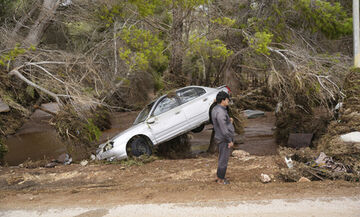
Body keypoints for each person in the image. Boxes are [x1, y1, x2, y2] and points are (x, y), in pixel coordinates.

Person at [211, 91, 235, 184]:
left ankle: (219, 176)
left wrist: (229, 121)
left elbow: (222, 122)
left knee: (222, 157)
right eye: (227, 99)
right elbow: (224, 129)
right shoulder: (220, 112)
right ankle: (220, 179)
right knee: (223, 159)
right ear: (223, 100)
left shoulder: (215, 109)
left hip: (220, 137)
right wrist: (229, 140)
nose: (228, 100)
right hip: (224, 138)